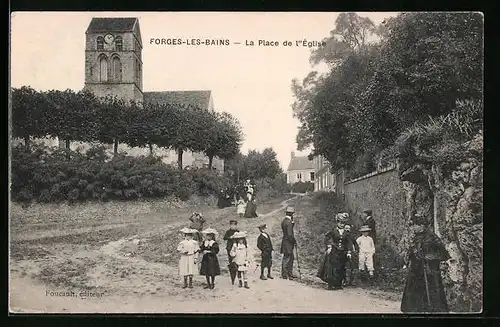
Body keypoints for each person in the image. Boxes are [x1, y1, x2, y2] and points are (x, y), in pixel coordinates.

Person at [401, 214, 450, 313]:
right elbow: (412, 251)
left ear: (422, 225)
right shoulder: (416, 237)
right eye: (413, 225)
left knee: (431, 287)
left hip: (428, 268)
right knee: (414, 287)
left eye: (416, 225)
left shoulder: (432, 237)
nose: (414, 227)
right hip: (416, 268)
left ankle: (434, 308)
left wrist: (431, 256)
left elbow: (443, 253)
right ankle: (414, 308)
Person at [317, 212, 354, 290]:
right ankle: (330, 284)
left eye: (343, 223)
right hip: (334, 251)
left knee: (340, 268)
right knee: (332, 268)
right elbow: (326, 238)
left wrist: (349, 252)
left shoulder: (346, 233)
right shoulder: (333, 231)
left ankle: (338, 284)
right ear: (337, 222)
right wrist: (329, 246)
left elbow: (349, 242)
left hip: (342, 252)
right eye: (340, 223)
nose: (342, 225)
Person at [280, 205, 297, 279]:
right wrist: (294, 241)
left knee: (289, 258)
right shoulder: (289, 222)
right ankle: (285, 274)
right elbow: (290, 234)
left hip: (285, 241)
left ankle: (288, 273)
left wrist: (292, 223)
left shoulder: (284, 221)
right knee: (287, 259)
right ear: (291, 214)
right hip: (289, 243)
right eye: (292, 213)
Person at [223, 220, 241, 285]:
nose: (233, 226)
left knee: (238, 262)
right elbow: (224, 238)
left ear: (236, 225)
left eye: (234, 225)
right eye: (232, 225)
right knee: (231, 263)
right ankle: (232, 277)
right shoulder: (228, 231)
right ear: (230, 225)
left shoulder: (238, 231)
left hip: (237, 248)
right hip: (229, 248)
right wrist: (230, 237)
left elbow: (241, 239)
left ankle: (238, 276)